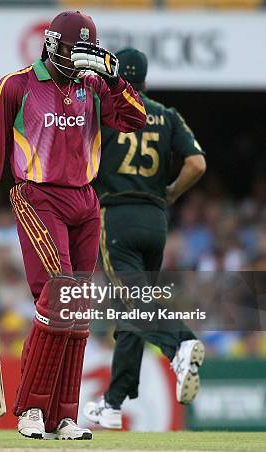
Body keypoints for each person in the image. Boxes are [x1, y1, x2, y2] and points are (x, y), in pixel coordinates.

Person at [0, 11, 146, 440]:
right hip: (37, 196)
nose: (73, 61)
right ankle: (30, 410)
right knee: (60, 294)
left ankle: (63, 414)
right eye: (66, 51)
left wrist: (116, 80)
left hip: (85, 200)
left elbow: (135, 119)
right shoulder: (18, 85)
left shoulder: (94, 86)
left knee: (78, 309)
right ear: (49, 43)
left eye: (82, 53)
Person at [82, 48, 207, 429]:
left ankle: (179, 344)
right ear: (147, 81)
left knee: (134, 303)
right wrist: (169, 193)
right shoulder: (167, 116)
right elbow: (197, 163)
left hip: (117, 216)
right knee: (131, 309)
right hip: (155, 219)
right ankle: (114, 402)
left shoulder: (104, 111)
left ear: (112, 77)